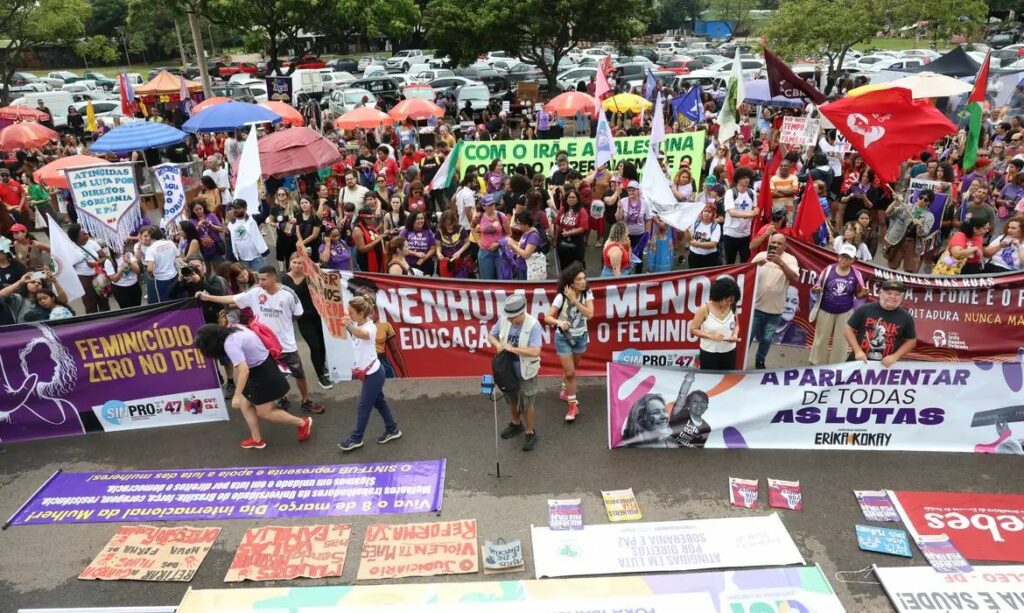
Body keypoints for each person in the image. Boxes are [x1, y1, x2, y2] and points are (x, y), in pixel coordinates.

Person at [198, 266, 325, 415]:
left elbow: (298, 314)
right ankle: (283, 398)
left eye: (264, 279)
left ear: (274, 278)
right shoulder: (255, 292)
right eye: (259, 279)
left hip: (286, 344)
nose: (260, 282)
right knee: (275, 375)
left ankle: (306, 400)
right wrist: (208, 298)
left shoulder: (288, 294)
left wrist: (283, 323)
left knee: (299, 374)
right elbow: (232, 299)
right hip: (264, 346)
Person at [194, 324, 312, 450]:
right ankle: (257, 440)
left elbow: (243, 370)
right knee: (245, 405)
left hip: (262, 373)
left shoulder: (230, 344)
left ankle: (302, 423)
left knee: (265, 412)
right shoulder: (233, 327)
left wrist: (236, 396)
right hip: (259, 367)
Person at [337, 295, 402, 451]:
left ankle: (356, 438)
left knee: (363, 407)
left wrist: (349, 326)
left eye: (351, 313)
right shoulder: (358, 322)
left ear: (361, 314)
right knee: (379, 402)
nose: (349, 315)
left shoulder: (370, 328)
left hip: (374, 375)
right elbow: (350, 321)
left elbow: (362, 334)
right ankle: (392, 429)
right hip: (369, 373)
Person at [490, 294, 542, 451]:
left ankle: (530, 432)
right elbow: (491, 335)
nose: (510, 320)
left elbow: (536, 351)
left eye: (513, 317)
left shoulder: (534, 325)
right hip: (507, 370)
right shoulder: (504, 318)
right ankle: (516, 424)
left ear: (522, 312)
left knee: (527, 403)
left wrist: (513, 349)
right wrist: (498, 346)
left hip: (526, 370)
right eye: (509, 316)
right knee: (511, 399)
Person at [544, 263, 593, 421]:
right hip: (563, 338)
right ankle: (573, 406)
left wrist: (575, 301)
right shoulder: (561, 296)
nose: (583, 281)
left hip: (580, 337)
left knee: (571, 369)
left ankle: (565, 389)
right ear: (571, 283)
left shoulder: (587, 294)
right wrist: (558, 322)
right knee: (571, 373)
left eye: (584, 278)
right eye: (579, 279)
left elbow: (590, 314)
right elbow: (547, 317)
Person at [810, 244, 868, 365]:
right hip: (825, 310)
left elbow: (858, 295)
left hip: (845, 312)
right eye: (842, 256)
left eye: (848, 258)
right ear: (838, 256)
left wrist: (862, 294)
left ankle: (837, 366)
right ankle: (816, 364)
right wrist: (816, 289)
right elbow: (817, 286)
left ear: (854, 260)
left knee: (841, 342)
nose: (844, 260)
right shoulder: (828, 269)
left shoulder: (856, 274)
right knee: (821, 339)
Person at [282, 253, 332, 390]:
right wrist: (309, 275)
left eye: (300, 263)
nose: (297, 265)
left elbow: (327, 272)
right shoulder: (286, 278)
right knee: (314, 346)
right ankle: (320, 375)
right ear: (289, 263)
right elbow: (296, 292)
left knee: (322, 344)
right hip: (304, 318)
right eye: (294, 262)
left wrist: (319, 267)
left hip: (319, 314)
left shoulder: (311, 275)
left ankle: (322, 365)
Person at [749, 234, 799, 369]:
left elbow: (795, 279)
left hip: (775, 310)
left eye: (779, 243)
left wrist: (780, 263)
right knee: (748, 337)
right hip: (756, 307)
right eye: (773, 242)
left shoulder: (791, 260)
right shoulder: (760, 255)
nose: (776, 245)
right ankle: (740, 361)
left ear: (785, 246)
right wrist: (756, 266)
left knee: (766, 339)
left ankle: (760, 361)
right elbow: (746, 275)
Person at [844, 278, 916, 366]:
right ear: (881, 293)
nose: (893, 297)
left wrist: (895, 356)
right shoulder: (865, 309)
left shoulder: (906, 317)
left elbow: (911, 341)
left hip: (886, 367)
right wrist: (857, 351)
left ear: (902, 297)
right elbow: (848, 329)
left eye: (897, 294)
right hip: (859, 362)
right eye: (889, 293)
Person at [690, 276, 742, 370]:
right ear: (719, 296)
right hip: (709, 352)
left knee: (727, 377)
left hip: (729, 352)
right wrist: (711, 336)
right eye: (727, 301)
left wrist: (734, 335)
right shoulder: (704, 309)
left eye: (732, 301)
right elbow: (693, 329)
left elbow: (736, 325)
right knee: (709, 378)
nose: (729, 304)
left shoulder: (732, 307)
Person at [884, 190, 936, 273]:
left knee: (910, 269)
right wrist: (895, 202)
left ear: (929, 202)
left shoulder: (930, 216)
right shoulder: (906, 207)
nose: (922, 200)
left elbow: (925, 233)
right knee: (892, 265)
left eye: (926, 200)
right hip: (899, 239)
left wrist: (919, 225)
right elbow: (888, 212)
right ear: (917, 198)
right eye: (921, 197)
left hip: (913, 243)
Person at [66, 224, 110, 313]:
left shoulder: (92, 243)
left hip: (98, 276)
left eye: (86, 233)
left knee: (104, 302)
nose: (87, 236)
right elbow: (67, 265)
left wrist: (96, 263)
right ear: (75, 237)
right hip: (84, 279)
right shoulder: (70, 248)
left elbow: (104, 257)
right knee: (90, 305)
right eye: (84, 235)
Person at [722, 168, 759, 264]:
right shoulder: (730, 193)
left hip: (745, 234)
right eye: (744, 178)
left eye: (748, 178)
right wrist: (751, 213)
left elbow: (755, 209)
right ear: (738, 179)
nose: (747, 180)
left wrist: (754, 212)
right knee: (730, 263)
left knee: (745, 262)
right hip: (731, 233)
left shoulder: (752, 193)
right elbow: (732, 213)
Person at [614, 180, 649, 274]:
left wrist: (647, 236)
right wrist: (619, 208)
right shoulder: (622, 201)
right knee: (625, 255)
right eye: (629, 190)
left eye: (633, 190)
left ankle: (638, 275)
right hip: (626, 235)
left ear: (638, 191)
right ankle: (626, 275)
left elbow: (648, 220)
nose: (631, 192)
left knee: (638, 256)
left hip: (640, 235)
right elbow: (618, 219)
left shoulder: (645, 203)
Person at [227, 199, 269, 271]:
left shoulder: (253, 219)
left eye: (238, 208)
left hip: (257, 258)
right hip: (242, 260)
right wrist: (231, 260)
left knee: (260, 277)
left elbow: (265, 213)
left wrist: (263, 200)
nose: (235, 210)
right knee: (248, 278)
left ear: (245, 208)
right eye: (234, 208)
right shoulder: (230, 225)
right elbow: (230, 244)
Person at [474, 194, 508, 280]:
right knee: (487, 280)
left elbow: (509, 234)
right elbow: (472, 227)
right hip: (485, 252)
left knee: (502, 278)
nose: (492, 207)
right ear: (484, 206)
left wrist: (499, 243)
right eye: (489, 205)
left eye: (493, 204)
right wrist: (478, 241)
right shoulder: (479, 216)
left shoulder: (501, 216)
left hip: (500, 251)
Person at [141, 226, 178, 303]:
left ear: (150, 236)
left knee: (165, 302)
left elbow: (150, 269)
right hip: (175, 276)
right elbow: (177, 256)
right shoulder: (170, 243)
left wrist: (150, 275)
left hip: (161, 280)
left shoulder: (150, 249)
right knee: (177, 298)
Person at [505, 211, 543, 280]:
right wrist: (514, 243)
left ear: (526, 224)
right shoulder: (526, 232)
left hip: (527, 269)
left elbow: (526, 254)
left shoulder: (533, 236)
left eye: (520, 224)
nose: (519, 226)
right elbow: (522, 246)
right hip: (521, 266)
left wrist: (513, 245)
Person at [188, 200, 226, 265]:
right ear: (192, 211)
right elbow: (191, 235)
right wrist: (198, 227)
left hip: (215, 247)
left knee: (218, 266)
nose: (199, 211)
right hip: (201, 249)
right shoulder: (192, 220)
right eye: (196, 210)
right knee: (205, 269)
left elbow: (221, 229)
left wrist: (210, 225)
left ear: (203, 208)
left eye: (200, 209)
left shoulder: (211, 215)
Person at [400, 211, 436, 276]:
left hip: (426, 263)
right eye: (418, 219)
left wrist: (425, 258)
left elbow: (433, 248)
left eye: (422, 218)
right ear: (412, 220)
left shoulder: (428, 231)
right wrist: (416, 254)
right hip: (409, 263)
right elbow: (400, 248)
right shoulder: (405, 231)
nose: (420, 221)